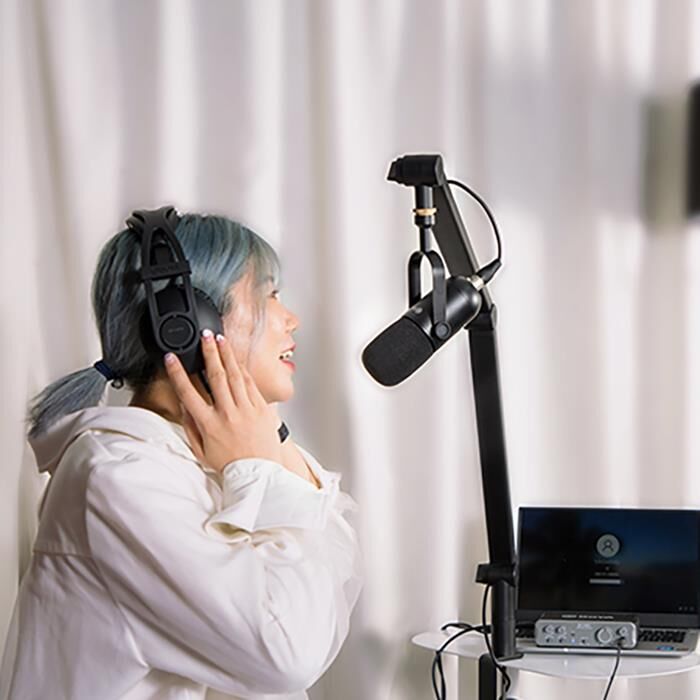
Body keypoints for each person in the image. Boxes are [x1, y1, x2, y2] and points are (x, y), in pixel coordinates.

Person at [0, 212, 362, 700]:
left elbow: (333, 565)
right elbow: (288, 654)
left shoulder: (206, 455)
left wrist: (267, 448)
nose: (290, 318)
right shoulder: (119, 478)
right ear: (186, 324)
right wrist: (261, 469)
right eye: (268, 295)